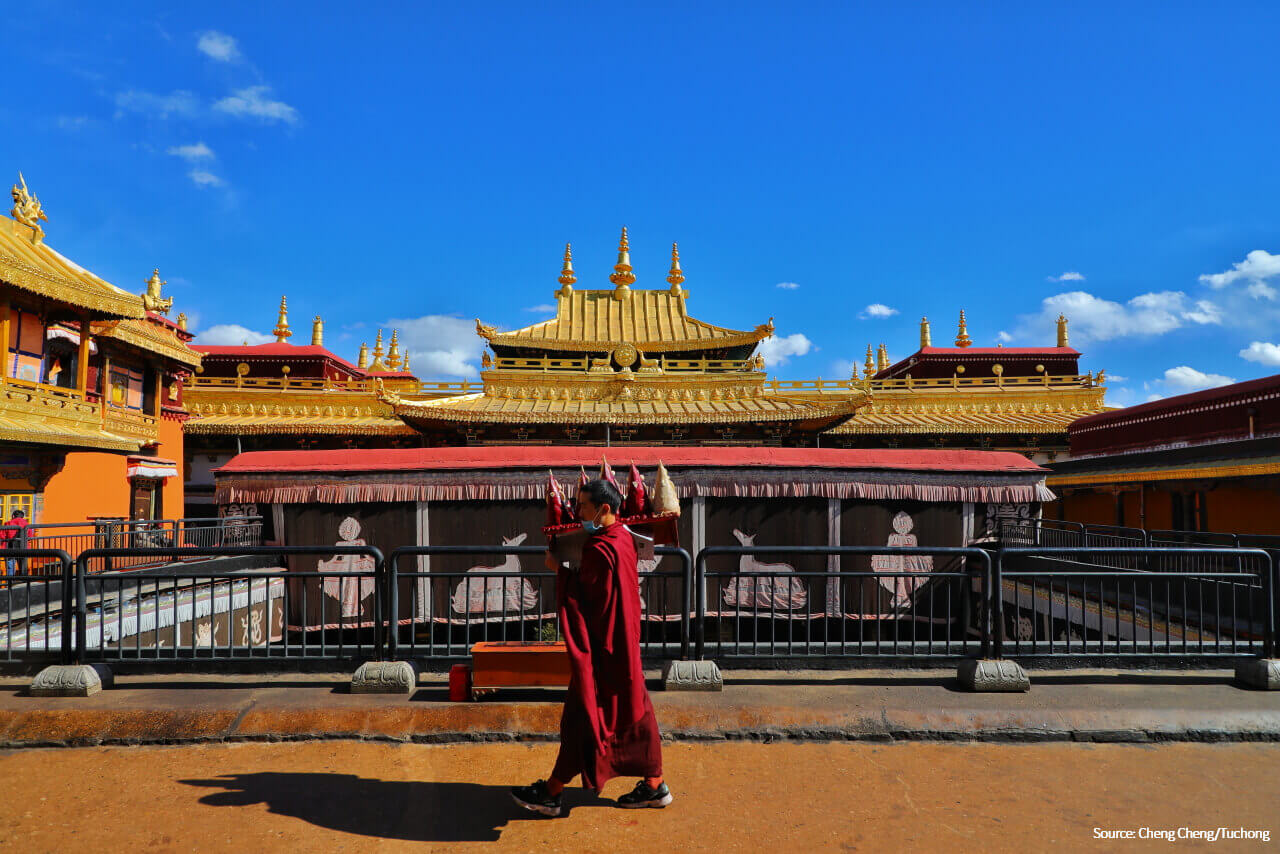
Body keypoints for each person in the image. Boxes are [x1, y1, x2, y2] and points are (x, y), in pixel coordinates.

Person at [511, 478, 670, 817]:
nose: (578, 511)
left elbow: (585, 599)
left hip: (603, 647)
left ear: (604, 509)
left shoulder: (599, 549)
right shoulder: (623, 537)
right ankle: (655, 783)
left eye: (583, 506)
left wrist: (559, 571)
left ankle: (552, 792)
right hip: (624, 642)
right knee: (637, 713)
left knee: (583, 716)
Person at [2, 509, 28, 577]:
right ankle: (24, 581)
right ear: (22, 516)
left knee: (10, 566)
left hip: (10, 547)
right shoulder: (26, 524)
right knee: (23, 565)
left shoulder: (8, 523)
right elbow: (29, 536)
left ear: (13, 516)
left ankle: (10, 583)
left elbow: (2, 536)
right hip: (23, 547)